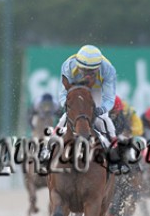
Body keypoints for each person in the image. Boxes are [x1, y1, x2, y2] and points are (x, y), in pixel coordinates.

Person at [53, 44, 129, 174]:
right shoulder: (68, 66)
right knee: (65, 118)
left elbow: (109, 98)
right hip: (76, 89)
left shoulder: (108, 69)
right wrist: (68, 107)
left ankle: (115, 155)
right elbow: (63, 93)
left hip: (96, 90)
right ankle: (47, 149)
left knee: (103, 120)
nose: (87, 75)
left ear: (98, 67)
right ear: (78, 65)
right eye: (84, 70)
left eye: (92, 71)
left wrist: (101, 110)